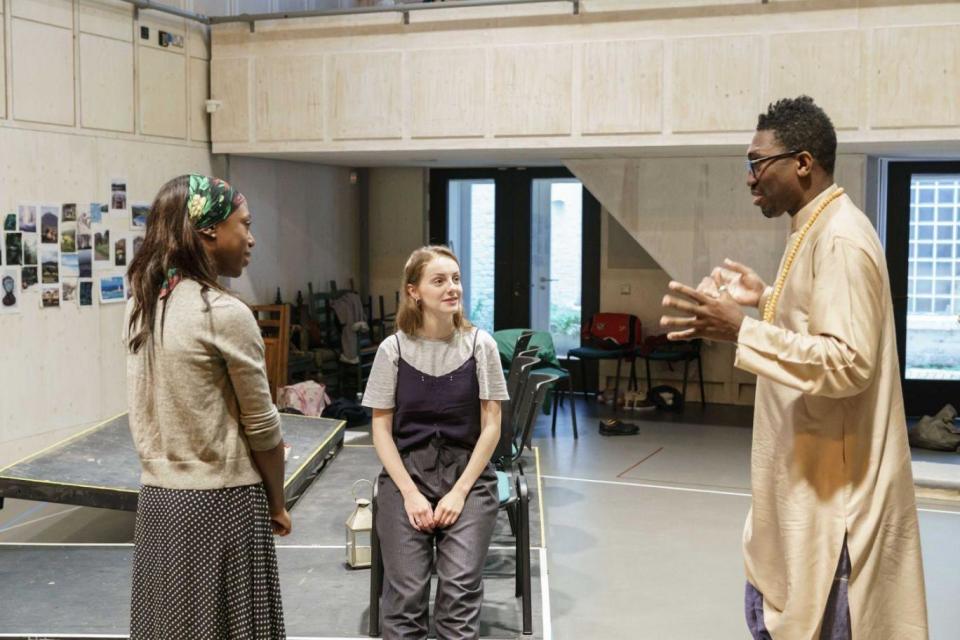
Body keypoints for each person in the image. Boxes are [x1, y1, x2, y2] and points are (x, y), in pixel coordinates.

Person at [660, 96, 928, 639]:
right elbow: (817, 328)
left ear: (802, 163)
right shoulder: (815, 224)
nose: (751, 178)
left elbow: (848, 362)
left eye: (758, 163)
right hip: (806, 484)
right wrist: (766, 300)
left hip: (838, 508)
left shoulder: (840, 239)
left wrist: (741, 328)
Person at [125, 174, 289, 639]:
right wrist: (278, 502)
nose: (251, 238)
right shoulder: (223, 312)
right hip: (223, 505)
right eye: (245, 224)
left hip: (159, 505)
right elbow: (263, 428)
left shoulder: (143, 306)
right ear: (209, 230)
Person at [362, 245, 508, 640]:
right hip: (408, 477)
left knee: (458, 592)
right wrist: (409, 494)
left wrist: (460, 493)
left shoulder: (482, 346)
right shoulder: (392, 350)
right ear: (414, 291)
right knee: (407, 594)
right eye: (439, 281)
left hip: (468, 478)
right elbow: (380, 430)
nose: (452, 288)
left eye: (456, 279)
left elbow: (491, 426)